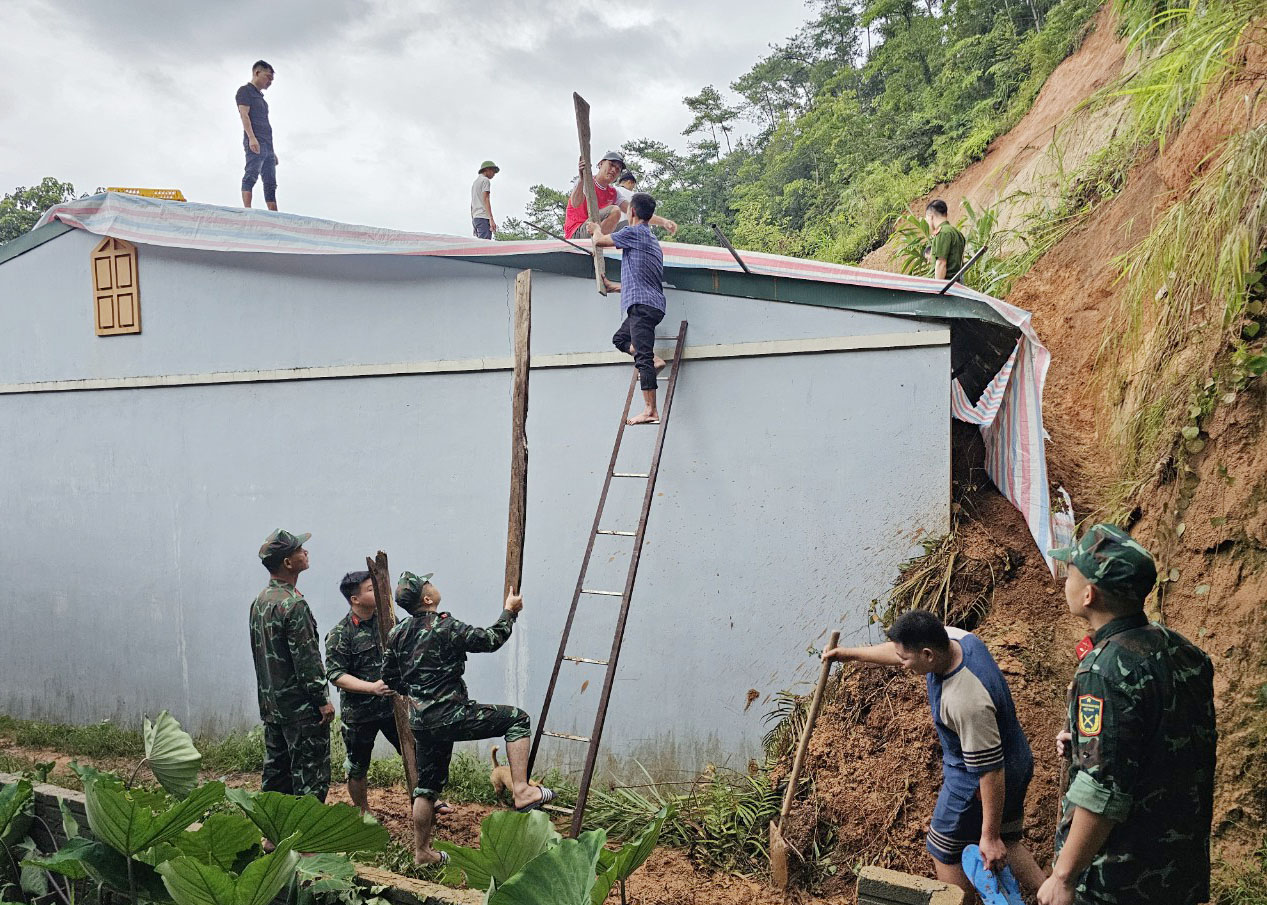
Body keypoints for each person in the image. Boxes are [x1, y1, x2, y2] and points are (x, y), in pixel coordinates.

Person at [1038, 525, 1216, 905]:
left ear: (1089, 593)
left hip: (1121, 879)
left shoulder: (1102, 670)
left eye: (1071, 572)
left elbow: (1103, 789)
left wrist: (1063, 876)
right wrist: (1087, 742)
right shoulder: (1183, 651)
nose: (1065, 580)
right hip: (1176, 866)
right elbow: (1163, 735)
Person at [823, 611, 1044, 899]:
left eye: (905, 659)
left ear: (927, 655)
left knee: (944, 849)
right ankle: (1054, 893)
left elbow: (990, 770)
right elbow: (900, 650)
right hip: (1016, 756)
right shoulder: (955, 638)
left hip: (979, 778)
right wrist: (848, 655)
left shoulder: (965, 700)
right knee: (1009, 840)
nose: (902, 664)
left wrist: (988, 836)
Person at [382, 571, 553, 866]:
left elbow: (389, 679)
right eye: (429, 584)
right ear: (426, 598)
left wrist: (419, 694)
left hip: (421, 722)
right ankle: (523, 791)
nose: (435, 585)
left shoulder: (397, 634)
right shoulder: (446, 626)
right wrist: (509, 612)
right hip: (453, 715)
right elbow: (489, 640)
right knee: (516, 719)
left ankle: (422, 853)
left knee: (426, 787)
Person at [248, 529, 333, 801]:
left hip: (273, 707)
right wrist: (322, 700)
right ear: (287, 562)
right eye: (299, 550)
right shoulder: (294, 606)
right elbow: (307, 660)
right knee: (311, 776)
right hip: (301, 711)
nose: (305, 552)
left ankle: (272, 838)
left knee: (277, 774)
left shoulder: (260, 602)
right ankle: (307, 841)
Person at [324, 570, 400, 814]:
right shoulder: (341, 634)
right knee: (357, 766)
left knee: (416, 753)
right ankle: (363, 812)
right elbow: (336, 675)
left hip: (393, 708)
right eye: (370, 589)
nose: (377, 592)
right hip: (359, 714)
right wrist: (372, 688)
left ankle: (426, 801)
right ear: (354, 599)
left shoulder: (388, 621)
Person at [591, 192, 669, 426]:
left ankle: (650, 410)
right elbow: (641, 279)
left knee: (642, 358)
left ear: (631, 212)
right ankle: (654, 361)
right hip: (650, 304)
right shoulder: (651, 241)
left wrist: (596, 228)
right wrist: (614, 287)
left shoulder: (634, 232)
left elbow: (600, 241)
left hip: (642, 307)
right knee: (621, 339)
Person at [236, 61, 279, 211]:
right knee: (251, 173)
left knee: (270, 181)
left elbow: (266, 126)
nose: (269, 82)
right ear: (257, 73)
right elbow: (244, 115)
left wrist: (273, 151)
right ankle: (247, 209)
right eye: (268, 77)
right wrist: (251, 138)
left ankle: (274, 213)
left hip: (267, 144)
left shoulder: (262, 99)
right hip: (255, 140)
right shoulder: (245, 91)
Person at [565, 151, 625, 239]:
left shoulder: (613, 193)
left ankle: (600, 240)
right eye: (611, 165)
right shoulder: (586, 181)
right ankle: (600, 241)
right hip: (577, 233)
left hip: (594, 229)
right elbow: (575, 203)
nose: (614, 170)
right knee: (615, 211)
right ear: (601, 164)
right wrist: (582, 179)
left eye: (618, 169)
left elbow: (632, 210)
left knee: (627, 224)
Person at [924, 199, 965, 282]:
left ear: (931, 216)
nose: (928, 223)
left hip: (945, 285)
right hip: (956, 283)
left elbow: (941, 263)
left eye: (927, 219)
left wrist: (938, 290)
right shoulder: (957, 233)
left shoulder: (942, 233)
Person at [471, 161, 499, 239]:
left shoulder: (475, 183)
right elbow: (486, 198)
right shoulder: (485, 180)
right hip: (483, 217)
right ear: (487, 169)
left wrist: (473, 221)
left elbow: (472, 203)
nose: (494, 174)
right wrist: (491, 219)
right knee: (486, 246)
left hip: (476, 218)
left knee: (480, 245)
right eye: (493, 171)